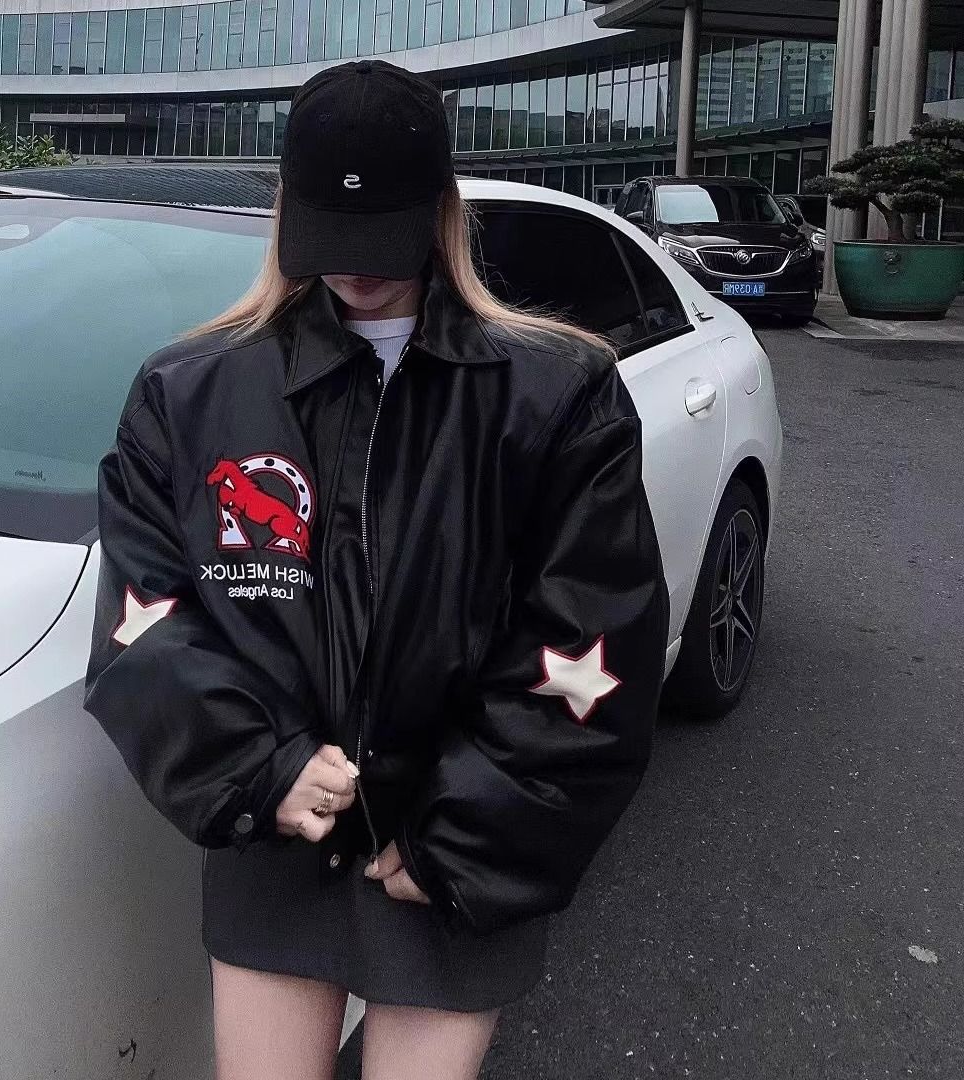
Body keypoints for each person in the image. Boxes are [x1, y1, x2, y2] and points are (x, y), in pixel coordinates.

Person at [82, 58, 669, 1080]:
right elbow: (146, 624)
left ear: (440, 210)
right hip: (275, 837)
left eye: (382, 235)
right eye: (331, 234)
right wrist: (261, 771)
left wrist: (466, 834)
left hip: (456, 842)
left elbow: (592, 635)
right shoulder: (188, 393)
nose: (355, 268)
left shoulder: (557, 393)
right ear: (289, 211)